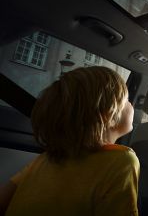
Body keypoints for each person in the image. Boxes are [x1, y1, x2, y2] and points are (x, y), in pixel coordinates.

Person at [0, 66, 140, 216]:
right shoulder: (122, 161)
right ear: (108, 115)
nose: (131, 104)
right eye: (126, 100)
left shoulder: (46, 158)